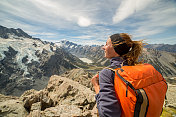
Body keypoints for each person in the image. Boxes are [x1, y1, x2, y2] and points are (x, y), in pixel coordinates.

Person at [91, 33, 144, 117]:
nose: (103, 47)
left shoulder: (107, 73)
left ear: (116, 49)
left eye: (106, 44)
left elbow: (108, 114)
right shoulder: (135, 67)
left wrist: (96, 87)